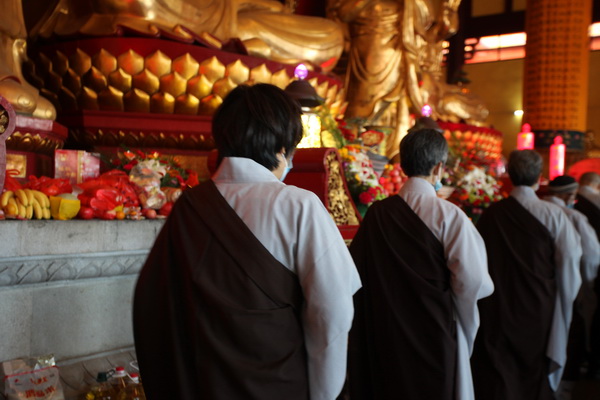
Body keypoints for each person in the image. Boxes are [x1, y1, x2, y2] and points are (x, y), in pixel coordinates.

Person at [133, 83, 361, 400]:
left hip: (202, 384)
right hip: (280, 385)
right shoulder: (299, 205)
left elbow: (153, 307)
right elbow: (332, 315)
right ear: (283, 147)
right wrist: (325, 394)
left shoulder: (189, 206)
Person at [347, 128, 494, 400]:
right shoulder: (449, 215)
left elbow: (355, 271)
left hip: (384, 330)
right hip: (433, 331)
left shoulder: (377, 213)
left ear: (402, 165)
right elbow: (474, 282)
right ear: (439, 168)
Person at [471, 150, 582, 400]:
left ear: (508, 175)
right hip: (538, 307)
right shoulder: (554, 215)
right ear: (539, 177)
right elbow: (570, 263)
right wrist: (565, 302)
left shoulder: (491, 215)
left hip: (496, 306)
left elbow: (476, 262)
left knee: (498, 372)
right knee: (533, 370)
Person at [544, 175, 600, 397]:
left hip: (537, 290)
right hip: (571, 287)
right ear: (569, 195)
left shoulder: (534, 211)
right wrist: (587, 285)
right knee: (567, 336)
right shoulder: (572, 216)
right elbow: (592, 256)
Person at [575, 172, 600, 379]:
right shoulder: (597, 200)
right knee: (590, 308)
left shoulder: (572, 200)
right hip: (593, 262)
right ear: (596, 185)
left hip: (568, 259)